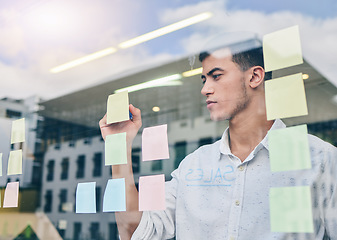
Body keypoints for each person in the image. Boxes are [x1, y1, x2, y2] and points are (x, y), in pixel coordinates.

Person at [99, 45, 337, 240]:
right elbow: (135, 232)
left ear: (255, 76)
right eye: (204, 79)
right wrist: (118, 145)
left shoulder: (320, 158)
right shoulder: (193, 165)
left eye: (216, 76)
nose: (204, 89)